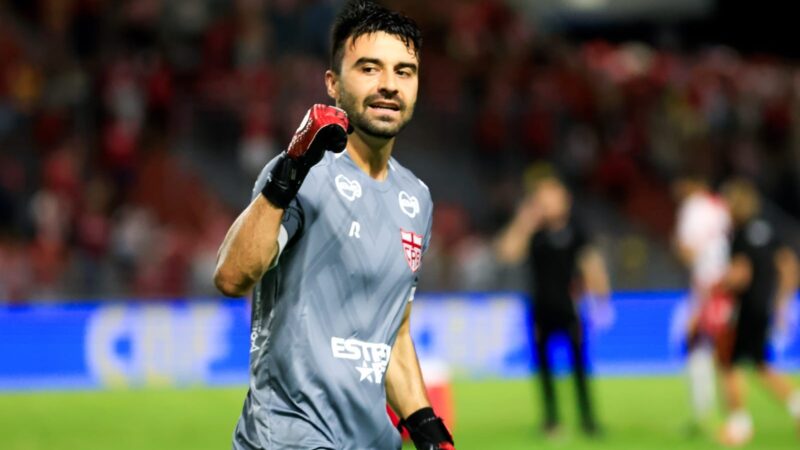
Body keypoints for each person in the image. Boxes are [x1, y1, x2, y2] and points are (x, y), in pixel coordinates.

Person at [213, 1, 454, 449]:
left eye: (404, 71)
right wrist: (290, 171)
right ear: (333, 85)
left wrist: (425, 426)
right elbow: (231, 276)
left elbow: (393, 333)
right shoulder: (305, 172)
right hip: (288, 437)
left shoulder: (416, 198)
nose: (388, 85)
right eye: (369, 68)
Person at [495, 174, 610, 437]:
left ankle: (588, 419)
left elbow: (591, 263)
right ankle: (551, 420)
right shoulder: (534, 233)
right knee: (544, 368)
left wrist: (601, 298)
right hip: (540, 310)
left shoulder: (576, 230)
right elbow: (506, 252)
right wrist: (524, 221)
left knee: (580, 366)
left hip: (570, 309)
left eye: (552, 197)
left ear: (565, 200)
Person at [717, 178, 800, 446]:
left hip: (746, 308)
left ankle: (739, 424)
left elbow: (740, 274)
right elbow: (789, 265)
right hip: (763, 306)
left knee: (729, 362)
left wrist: (717, 286)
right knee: (758, 363)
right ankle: (794, 406)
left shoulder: (739, 236)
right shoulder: (767, 230)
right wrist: (781, 300)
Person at [671, 175, 732, 432]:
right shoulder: (722, 207)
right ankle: (719, 414)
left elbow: (689, 251)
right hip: (728, 286)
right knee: (721, 349)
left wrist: (676, 244)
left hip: (707, 288)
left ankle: (707, 413)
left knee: (696, 343)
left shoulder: (692, 208)